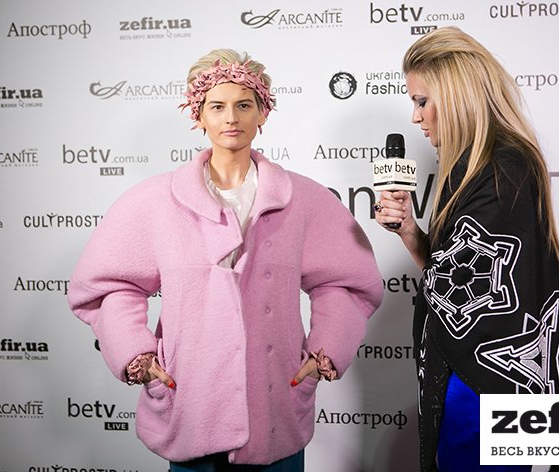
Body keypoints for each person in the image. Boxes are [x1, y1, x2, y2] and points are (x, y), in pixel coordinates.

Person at [67, 49, 383, 471]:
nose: (231, 117)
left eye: (244, 105)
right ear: (198, 115)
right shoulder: (153, 201)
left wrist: (326, 349)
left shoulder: (305, 199)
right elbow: (110, 285)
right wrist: (136, 355)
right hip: (189, 406)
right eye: (217, 106)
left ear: (262, 113)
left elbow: (345, 280)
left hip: (275, 410)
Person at [373, 27, 559, 472]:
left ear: (456, 96)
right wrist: (410, 231)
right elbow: (460, 277)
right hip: (472, 375)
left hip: (486, 382)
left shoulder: (503, 167)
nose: (415, 117)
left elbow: (463, 295)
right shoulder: (470, 167)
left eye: (422, 101)